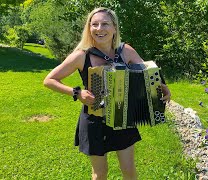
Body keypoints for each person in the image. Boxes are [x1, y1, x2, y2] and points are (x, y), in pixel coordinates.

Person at [43, 7, 171, 180]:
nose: (99, 28)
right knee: (100, 174)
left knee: (129, 170)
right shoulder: (82, 56)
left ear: (114, 28)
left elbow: (147, 73)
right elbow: (49, 80)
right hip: (95, 120)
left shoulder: (126, 51)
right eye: (94, 24)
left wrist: (161, 86)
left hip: (124, 118)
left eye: (105, 24)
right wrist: (77, 93)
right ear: (89, 28)